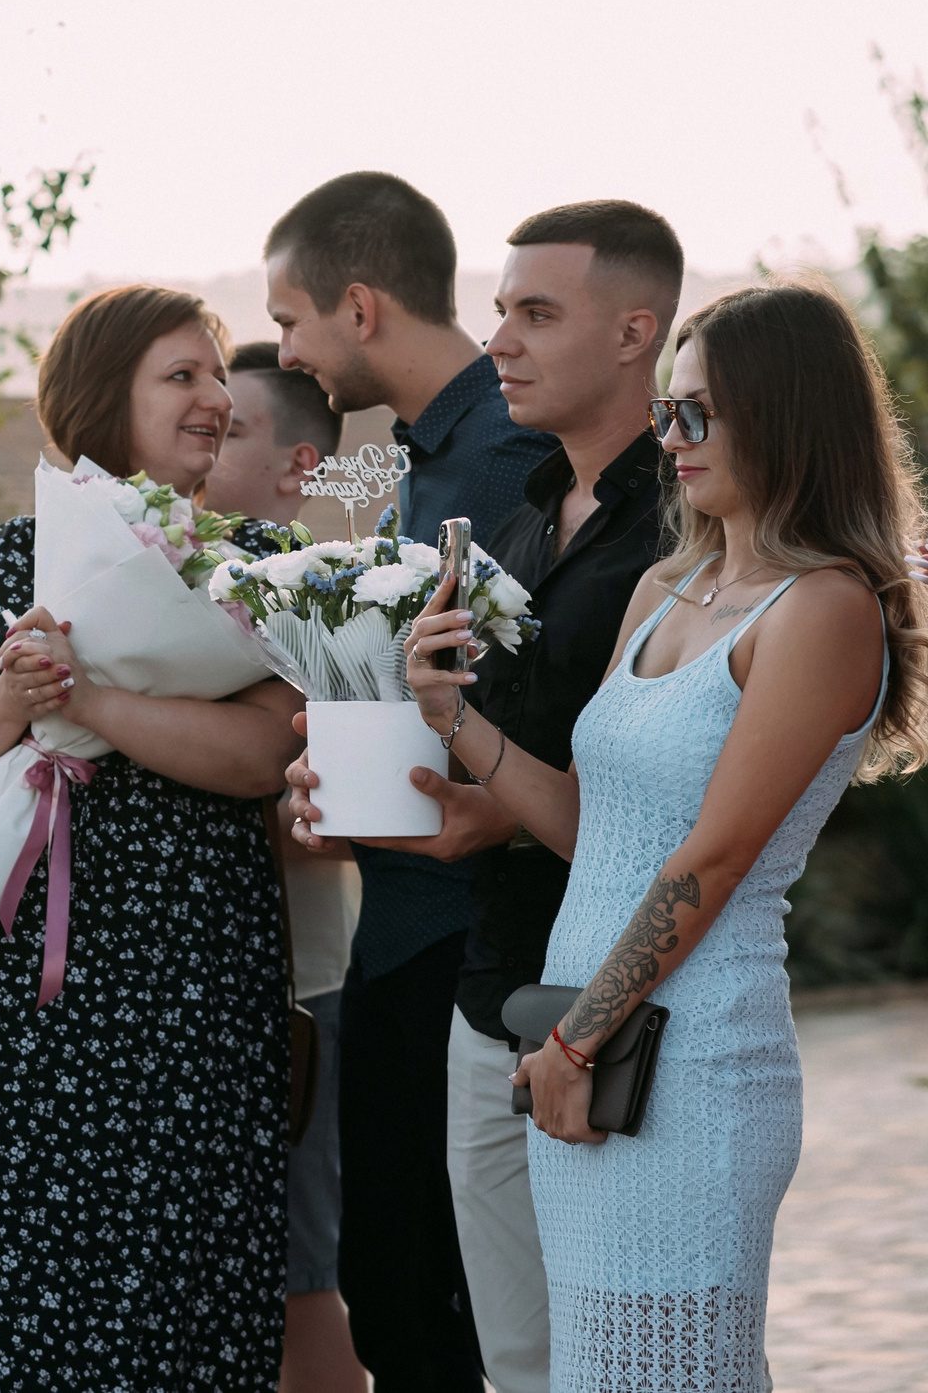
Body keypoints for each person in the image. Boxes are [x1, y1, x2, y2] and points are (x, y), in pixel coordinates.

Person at [345, 280, 924, 1390]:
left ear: (789, 414)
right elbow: (582, 822)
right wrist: (448, 717)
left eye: (698, 412)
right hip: (589, 1047)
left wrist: (573, 1044)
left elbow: (711, 859)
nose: (671, 438)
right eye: (668, 411)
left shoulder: (824, 607)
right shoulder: (668, 582)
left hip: (690, 1057)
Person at [293, 201, 685, 1393]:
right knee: (496, 1343)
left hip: (612, 985)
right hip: (487, 974)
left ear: (634, 332)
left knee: (619, 1352)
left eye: (534, 312)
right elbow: (488, 737)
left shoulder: (677, 530)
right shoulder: (520, 516)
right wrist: (378, 783)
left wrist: (482, 795)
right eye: (504, 306)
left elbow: (659, 774)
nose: (499, 338)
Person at [0, 284, 305, 1391]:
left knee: (174, 1292)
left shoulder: (261, 566)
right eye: (183, 375)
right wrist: (17, 694)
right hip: (17, 987)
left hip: (190, 986)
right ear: (97, 394)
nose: (216, 397)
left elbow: (262, 757)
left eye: (218, 374)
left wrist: (97, 701)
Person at [266, 171, 554, 1390]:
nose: (286, 348)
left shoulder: (508, 459)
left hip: (463, 938)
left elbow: (533, 698)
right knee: (402, 1300)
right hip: (402, 921)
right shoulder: (422, 462)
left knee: (432, 1307)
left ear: (361, 305)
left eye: (290, 319)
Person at [202, 345, 366, 1393]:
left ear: (297, 465)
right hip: (194, 997)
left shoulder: (331, 607)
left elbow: (337, 820)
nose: (203, 442)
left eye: (232, 430)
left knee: (301, 1281)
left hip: (295, 988)